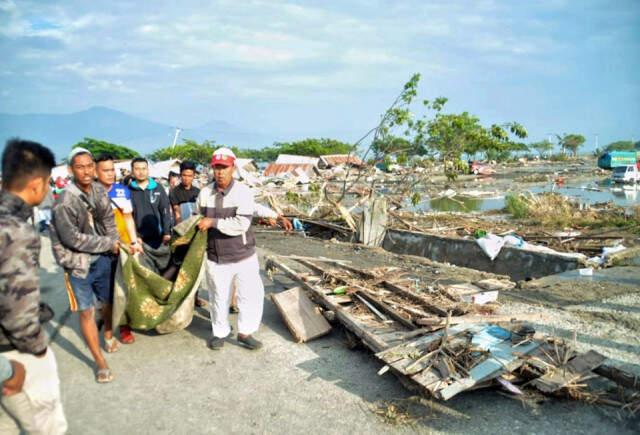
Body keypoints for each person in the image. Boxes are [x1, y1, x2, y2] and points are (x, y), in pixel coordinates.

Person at [0, 138, 67, 433]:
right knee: (46, 426)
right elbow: (18, 308)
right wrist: (37, 350)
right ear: (38, 183)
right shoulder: (15, 231)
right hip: (14, 352)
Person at [51, 147, 120, 383]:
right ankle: (99, 361)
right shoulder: (64, 201)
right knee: (87, 310)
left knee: (108, 301)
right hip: (76, 263)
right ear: (71, 170)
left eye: (90, 166)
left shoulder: (99, 190)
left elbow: (109, 220)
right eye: (80, 167)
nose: (86, 171)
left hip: (101, 259)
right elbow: (73, 240)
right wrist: (108, 243)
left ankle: (108, 334)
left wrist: (116, 242)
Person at [196, 147, 264, 350]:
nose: (219, 172)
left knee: (248, 295)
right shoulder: (204, 193)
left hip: (243, 255)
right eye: (216, 167)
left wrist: (213, 222)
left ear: (232, 168)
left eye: (224, 167)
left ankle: (245, 332)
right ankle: (220, 332)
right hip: (216, 256)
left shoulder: (243, 192)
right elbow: (198, 219)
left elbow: (241, 224)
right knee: (218, 296)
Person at [95, 154, 141, 345]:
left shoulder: (122, 192)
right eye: (105, 170)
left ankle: (124, 327)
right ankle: (105, 319)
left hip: (121, 249)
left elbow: (128, 218)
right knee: (103, 292)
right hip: (99, 251)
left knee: (123, 289)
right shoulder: (89, 193)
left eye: (112, 169)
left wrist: (134, 242)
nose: (110, 174)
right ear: (96, 172)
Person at [129, 157, 171, 249]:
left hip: (158, 237)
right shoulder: (128, 190)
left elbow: (165, 211)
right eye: (137, 169)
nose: (141, 172)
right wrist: (135, 237)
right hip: (137, 239)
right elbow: (127, 217)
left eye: (144, 168)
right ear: (132, 171)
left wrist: (167, 232)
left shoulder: (158, 188)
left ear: (148, 170)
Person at [169, 160, 200, 225]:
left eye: (190, 176)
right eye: (184, 175)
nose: (186, 178)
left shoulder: (198, 192)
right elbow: (177, 214)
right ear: (180, 175)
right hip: (180, 226)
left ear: (194, 176)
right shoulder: (174, 192)